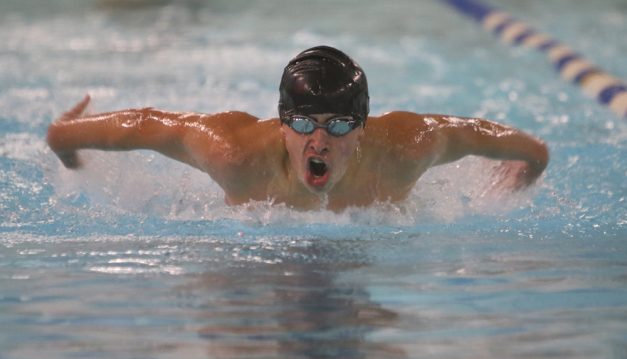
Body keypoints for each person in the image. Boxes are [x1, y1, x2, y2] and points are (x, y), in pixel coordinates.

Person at [47, 46, 548, 212]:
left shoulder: (407, 149)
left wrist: (522, 174)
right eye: (305, 123)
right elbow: (146, 125)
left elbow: (521, 147)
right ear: (282, 124)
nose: (320, 141)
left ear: (363, 128)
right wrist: (68, 144)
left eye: (339, 125)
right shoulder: (235, 154)